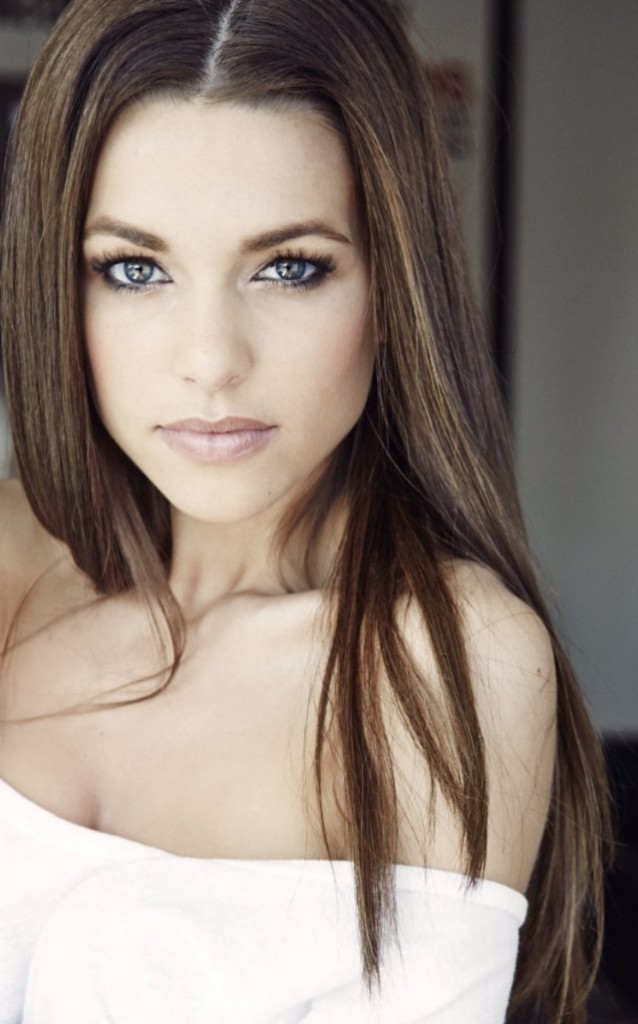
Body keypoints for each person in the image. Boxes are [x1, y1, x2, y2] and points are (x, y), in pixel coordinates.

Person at [0, 0, 611, 1021]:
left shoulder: (445, 665)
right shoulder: (13, 558)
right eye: (134, 269)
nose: (210, 359)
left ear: (393, 289)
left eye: (289, 267)